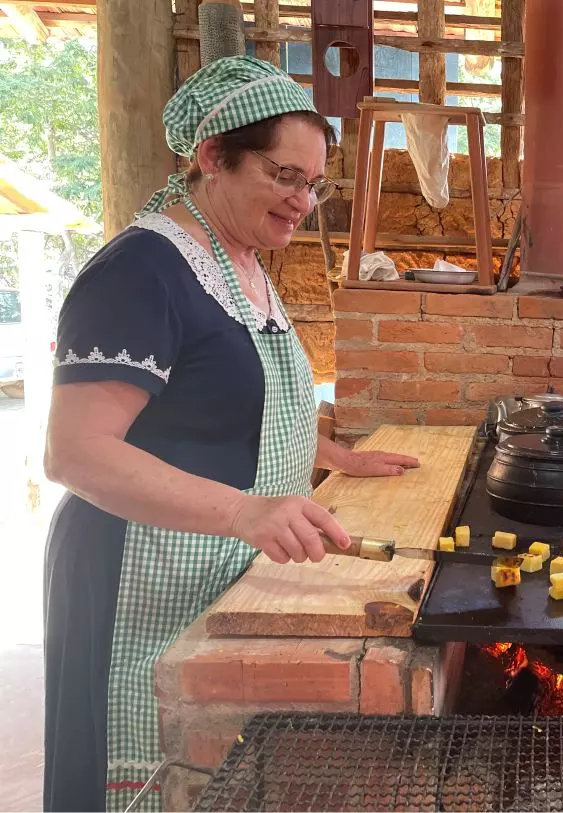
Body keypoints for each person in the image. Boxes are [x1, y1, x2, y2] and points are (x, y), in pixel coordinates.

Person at [42, 56, 419, 812]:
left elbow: (235, 397)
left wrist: (332, 455)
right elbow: (75, 452)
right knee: (142, 767)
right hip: (133, 572)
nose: (302, 201)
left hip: (212, 564)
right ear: (213, 157)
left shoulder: (240, 258)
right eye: (285, 176)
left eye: (314, 184)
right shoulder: (139, 271)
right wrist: (245, 511)